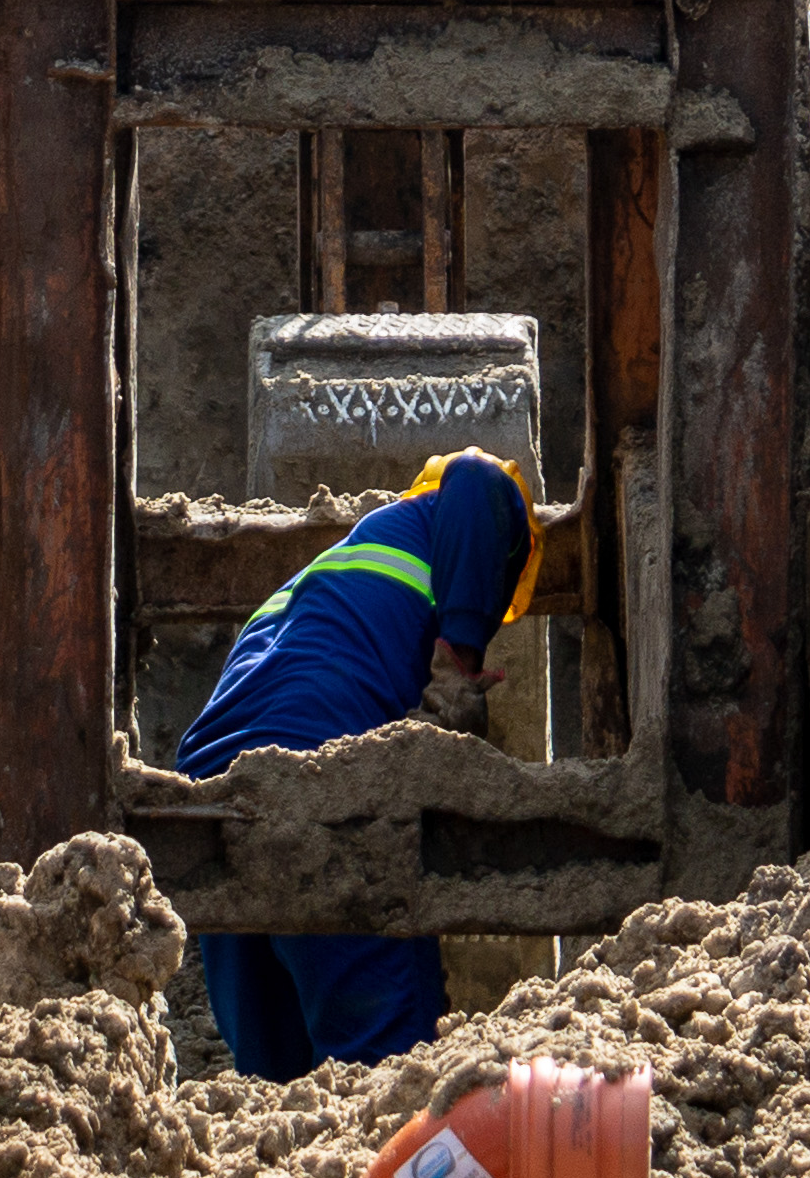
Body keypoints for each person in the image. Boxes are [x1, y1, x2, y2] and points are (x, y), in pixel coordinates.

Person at [174, 451, 538, 1078]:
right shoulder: (451, 508)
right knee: (389, 1072)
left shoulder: (324, 589)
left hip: (210, 786)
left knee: (274, 1086)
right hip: (322, 771)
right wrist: (459, 668)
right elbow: (480, 479)